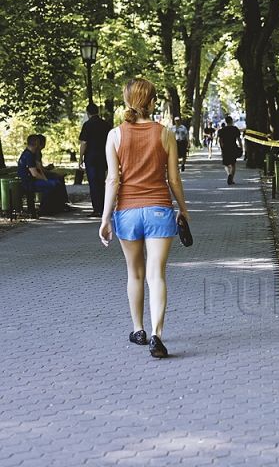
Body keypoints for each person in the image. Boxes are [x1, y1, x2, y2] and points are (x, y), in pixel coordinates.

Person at [99, 78, 190, 359]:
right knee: (155, 274)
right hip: (159, 210)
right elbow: (173, 178)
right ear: (151, 103)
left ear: (128, 102)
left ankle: (137, 329)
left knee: (134, 274)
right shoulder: (165, 134)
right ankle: (156, 336)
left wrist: (105, 219)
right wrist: (183, 209)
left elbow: (113, 180)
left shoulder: (115, 135)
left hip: (126, 212)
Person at [79, 103, 112, 217]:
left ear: (87, 113)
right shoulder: (105, 125)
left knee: (93, 183)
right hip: (103, 157)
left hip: (91, 157)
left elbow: (84, 143)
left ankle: (97, 209)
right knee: (102, 182)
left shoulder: (87, 125)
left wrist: (80, 158)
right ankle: (105, 207)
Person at [16, 135, 61, 215]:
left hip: (32, 181)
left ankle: (53, 207)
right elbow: (35, 174)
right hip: (27, 183)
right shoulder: (28, 155)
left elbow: (39, 170)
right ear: (36, 143)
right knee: (51, 185)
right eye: (40, 142)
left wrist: (45, 179)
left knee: (56, 183)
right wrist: (46, 180)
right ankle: (43, 209)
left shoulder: (32, 154)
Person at [35, 135, 72, 212]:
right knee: (56, 179)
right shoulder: (36, 153)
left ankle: (61, 204)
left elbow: (39, 168)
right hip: (36, 178)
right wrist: (56, 174)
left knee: (58, 179)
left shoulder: (38, 153)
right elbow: (40, 169)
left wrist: (48, 168)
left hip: (39, 175)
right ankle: (58, 205)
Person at [217, 116, 241, 185]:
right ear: (231, 121)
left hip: (225, 148)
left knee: (226, 164)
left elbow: (220, 140)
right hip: (233, 147)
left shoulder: (222, 130)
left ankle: (228, 174)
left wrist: (222, 147)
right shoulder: (235, 129)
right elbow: (239, 139)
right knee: (233, 164)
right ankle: (232, 177)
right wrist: (241, 147)